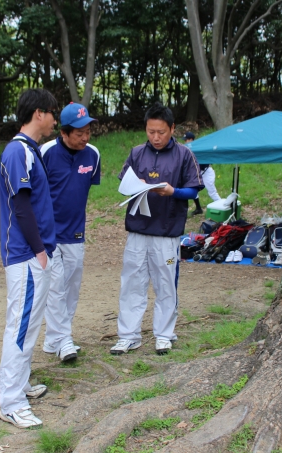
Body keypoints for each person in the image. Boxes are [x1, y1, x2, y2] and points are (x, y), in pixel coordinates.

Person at [111, 103, 204, 356]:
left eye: (161, 132)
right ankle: (128, 336)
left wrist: (173, 191)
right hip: (137, 231)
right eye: (151, 132)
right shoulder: (137, 153)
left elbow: (194, 190)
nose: (156, 137)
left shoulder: (184, 155)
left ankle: (164, 334)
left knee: (165, 284)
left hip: (167, 232)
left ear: (172, 129)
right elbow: (123, 184)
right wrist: (135, 185)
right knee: (131, 283)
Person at [0, 88, 58, 429]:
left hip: (33, 254)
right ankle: (11, 403)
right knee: (19, 328)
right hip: (26, 255)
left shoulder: (30, 150)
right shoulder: (17, 150)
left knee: (30, 325)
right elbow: (20, 205)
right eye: (52, 113)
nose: (54, 121)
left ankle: (20, 385)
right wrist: (39, 251)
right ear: (39, 113)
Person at [40, 103, 101, 362]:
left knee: (71, 288)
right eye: (79, 133)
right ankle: (64, 340)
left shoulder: (93, 155)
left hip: (76, 233)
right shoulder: (45, 153)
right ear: (64, 132)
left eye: (88, 131)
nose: (85, 137)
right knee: (55, 288)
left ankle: (53, 339)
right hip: (48, 234)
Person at [183, 132, 220, 216]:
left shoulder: (198, 148)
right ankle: (198, 209)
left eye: (186, 140)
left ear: (191, 140)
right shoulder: (188, 149)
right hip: (198, 173)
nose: (185, 142)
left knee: (212, 192)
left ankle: (222, 207)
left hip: (206, 172)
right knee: (193, 189)